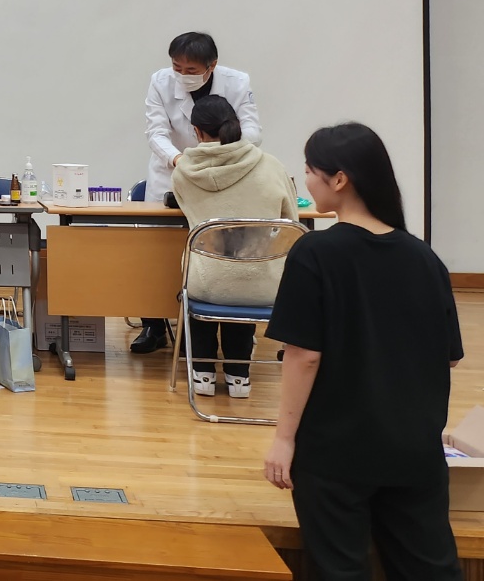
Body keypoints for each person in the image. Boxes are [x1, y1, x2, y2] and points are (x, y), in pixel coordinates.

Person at [264, 123, 463, 581]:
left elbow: (304, 356)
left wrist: (284, 439)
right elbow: (449, 356)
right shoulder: (425, 258)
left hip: (336, 451)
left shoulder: (315, 252)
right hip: (415, 448)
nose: (305, 181)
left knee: (340, 570)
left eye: (309, 171)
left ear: (339, 179)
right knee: (431, 570)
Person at [136, 31, 261, 353]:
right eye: (177, 67)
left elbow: (252, 131)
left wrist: (218, 155)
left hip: (223, 175)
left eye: (191, 70)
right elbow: (156, 132)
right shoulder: (160, 81)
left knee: (219, 250)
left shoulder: (237, 82)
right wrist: (180, 160)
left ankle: (224, 326)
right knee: (156, 254)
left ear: (211, 65)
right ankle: (153, 326)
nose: (182, 75)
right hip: (173, 173)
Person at [171, 95, 297, 398]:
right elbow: (292, 223)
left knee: (204, 275)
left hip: (206, 283)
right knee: (247, 273)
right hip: (264, 286)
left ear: (197, 132)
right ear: (237, 125)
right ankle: (239, 375)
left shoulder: (184, 172)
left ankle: (202, 372)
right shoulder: (271, 166)